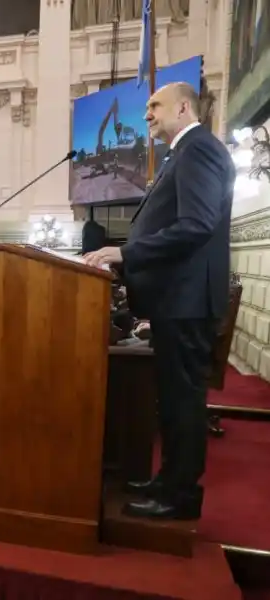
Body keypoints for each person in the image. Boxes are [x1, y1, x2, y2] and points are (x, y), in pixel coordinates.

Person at [84, 82, 235, 520]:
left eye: (155, 105)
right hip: (177, 298)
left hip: (185, 300)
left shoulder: (198, 150)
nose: (146, 114)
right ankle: (169, 480)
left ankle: (179, 496)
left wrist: (127, 253)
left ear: (183, 107)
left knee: (182, 401)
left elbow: (196, 224)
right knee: (171, 399)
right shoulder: (183, 153)